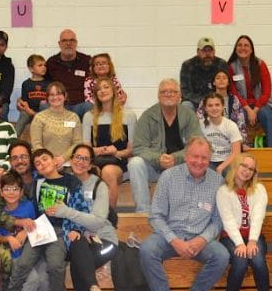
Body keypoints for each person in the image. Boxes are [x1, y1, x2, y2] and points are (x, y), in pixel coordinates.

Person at [139, 136, 229, 291]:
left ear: (210, 158)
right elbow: (155, 216)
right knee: (147, 249)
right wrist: (174, 240)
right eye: (195, 156)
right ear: (186, 156)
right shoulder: (168, 177)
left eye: (204, 158)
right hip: (169, 235)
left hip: (200, 238)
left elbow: (218, 221)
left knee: (222, 255)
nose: (199, 162)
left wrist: (202, 239)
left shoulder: (218, 182)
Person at [0, 148, 89, 291]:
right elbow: (26, 206)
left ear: (54, 160)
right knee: (23, 263)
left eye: (45, 159)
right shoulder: (37, 183)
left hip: (59, 231)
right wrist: (25, 226)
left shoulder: (71, 182)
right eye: (38, 163)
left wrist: (76, 229)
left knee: (55, 266)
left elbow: (81, 209)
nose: (42, 164)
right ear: (37, 169)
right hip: (39, 229)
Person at [56, 144, 119, 291]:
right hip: (75, 240)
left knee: (78, 251)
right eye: (77, 157)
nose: (80, 162)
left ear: (91, 164)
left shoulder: (99, 185)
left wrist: (66, 211)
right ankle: (93, 287)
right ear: (71, 159)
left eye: (85, 159)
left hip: (104, 242)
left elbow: (98, 221)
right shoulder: (64, 182)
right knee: (77, 244)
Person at [127, 79, 203, 214]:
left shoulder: (189, 115)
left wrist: (175, 158)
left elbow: (197, 145)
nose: (168, 94)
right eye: (164, 92)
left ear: (179, 96)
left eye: (173, 92)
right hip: (155, 168)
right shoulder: (148, 116)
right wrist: (158, 158)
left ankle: (191, 212)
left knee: (199, 162)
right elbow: (138, 147)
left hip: (180, 168)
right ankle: (143, 213)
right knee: (135, 163)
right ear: (158, 95)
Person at [216, 154, 272, 291]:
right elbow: (227, 220)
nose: (247, 171)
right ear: (235, 166)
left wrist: (251, 241)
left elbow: (258, 217)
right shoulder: (223, 191)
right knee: (241, 261)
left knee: (257, 260)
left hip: (253, 236)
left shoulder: (259, 190)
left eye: (251, 169)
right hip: (230, 237)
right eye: (244, 166)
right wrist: (240, 244)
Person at [82, 77, 136, 212]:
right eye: (99, 89)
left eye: (106, 87)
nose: (102, 91)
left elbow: (132, 149)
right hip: (95, 160)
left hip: (118, 161)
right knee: (92, 172)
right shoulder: (89, 116)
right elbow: (85, 148)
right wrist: (100, 150)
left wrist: (116, 152)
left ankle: (109, 217)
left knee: (108, 172)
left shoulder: (128, 115)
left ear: (113, 91)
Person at [227, 34, 272, 147]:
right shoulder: (230, 66)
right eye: (240, 45)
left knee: (267, 114)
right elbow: (233, 92)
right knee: (237, 116)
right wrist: (248, 109)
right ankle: (240, 149)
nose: (243, 48)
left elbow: (267, 91)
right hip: (241, 105)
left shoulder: (260, 64)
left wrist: (255, 110)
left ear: (251, 49)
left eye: (246, 45)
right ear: (235, 49)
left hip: (260, 104)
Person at [30, 81, 83, 168]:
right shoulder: (39, 118)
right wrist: (49, 160)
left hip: (69, 165)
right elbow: (36, 144)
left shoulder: (74, 118)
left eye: (58, 94)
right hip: (45, 165)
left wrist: (63, 158)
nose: (55, 97)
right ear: (47, 97)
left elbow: (77, 142)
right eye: (51, 94)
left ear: (65, 96)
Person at [45, 29, 92, 117]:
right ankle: (70, 126)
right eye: (64, 41)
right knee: (44, 106)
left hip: (80, 106)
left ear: (76, 43)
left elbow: (102, 78)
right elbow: (41, 83)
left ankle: (70, 126)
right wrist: (25, 98)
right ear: (59, 44)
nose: (68, 43)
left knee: (89, 106)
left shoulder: (87, 61)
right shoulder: (51, 63)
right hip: (59, 106)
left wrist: (118, 92)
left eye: (71, 40)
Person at [180, 36, 230, 109]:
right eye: (204, 50)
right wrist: (203, 101)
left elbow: (226, 87)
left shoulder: (221, 64)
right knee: (186, 105)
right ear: (198, 51)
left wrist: (213, 101)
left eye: (210, 50)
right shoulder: (187, 65)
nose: (207, 54)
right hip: (195, 102)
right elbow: (185, 91)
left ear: (214, 51)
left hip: (216, 101)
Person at [198, 68, 247, 139]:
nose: (221, 80)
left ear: (228, 82)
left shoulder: (234, 100)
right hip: (211, 134)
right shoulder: (206, 99)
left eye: (224, 78)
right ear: (214, 82)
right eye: (218, 78)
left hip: (229, 134)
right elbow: (200, 118)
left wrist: (243, 141)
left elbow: (241, 122)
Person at [200, 92, 243, 174]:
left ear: (223, 107)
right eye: (210, 105)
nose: (214, 108)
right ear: (205, 108)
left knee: (229, 172)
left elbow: (236, 153)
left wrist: (221, 167)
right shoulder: (200, 125)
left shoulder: (231, 125)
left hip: (228, 160)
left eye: (217, 105)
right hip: (208, 160)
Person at [15, 54, 50, 137]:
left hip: (43, 114)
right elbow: (24, 101)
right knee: (23, 114)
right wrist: (25, 108)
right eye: (40, 65)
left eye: (44, 65)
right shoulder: (26, 84)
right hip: (29, 112)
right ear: (31, 69)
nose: (44, 67)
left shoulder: (48, 83)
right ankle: (13, 138)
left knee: (44, 105)